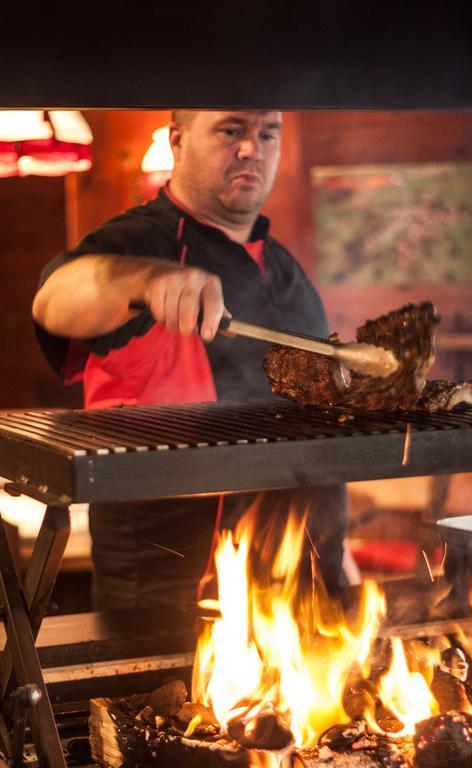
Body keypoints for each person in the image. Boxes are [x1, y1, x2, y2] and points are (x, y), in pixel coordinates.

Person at [32, 110, 349, 611]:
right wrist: (145, 280)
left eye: (268, 133)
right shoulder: (138, 243)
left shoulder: (286, 266)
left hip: (304, 579)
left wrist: (340, 554)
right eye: (231, 130)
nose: (252, 149)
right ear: (177, 140)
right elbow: (54, 299)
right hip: (169, 575)